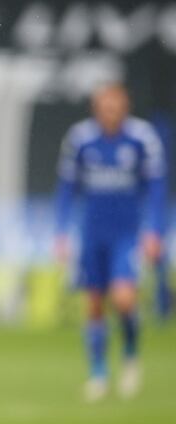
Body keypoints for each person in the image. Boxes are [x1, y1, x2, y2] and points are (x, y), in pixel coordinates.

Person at [54, 83, 168, 402]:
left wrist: (154, 231)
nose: (110, 112)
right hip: (92, 232)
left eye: (115, 106)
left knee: (123, 299)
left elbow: (157, 190)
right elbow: (66, 189)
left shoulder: (142, 138)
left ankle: (130, 356)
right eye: (105, 106)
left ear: (125, 106)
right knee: (93, 303)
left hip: (127, 234)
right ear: (96, 108)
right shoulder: (80, 140)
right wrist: (61, 232)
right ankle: (99, 373)